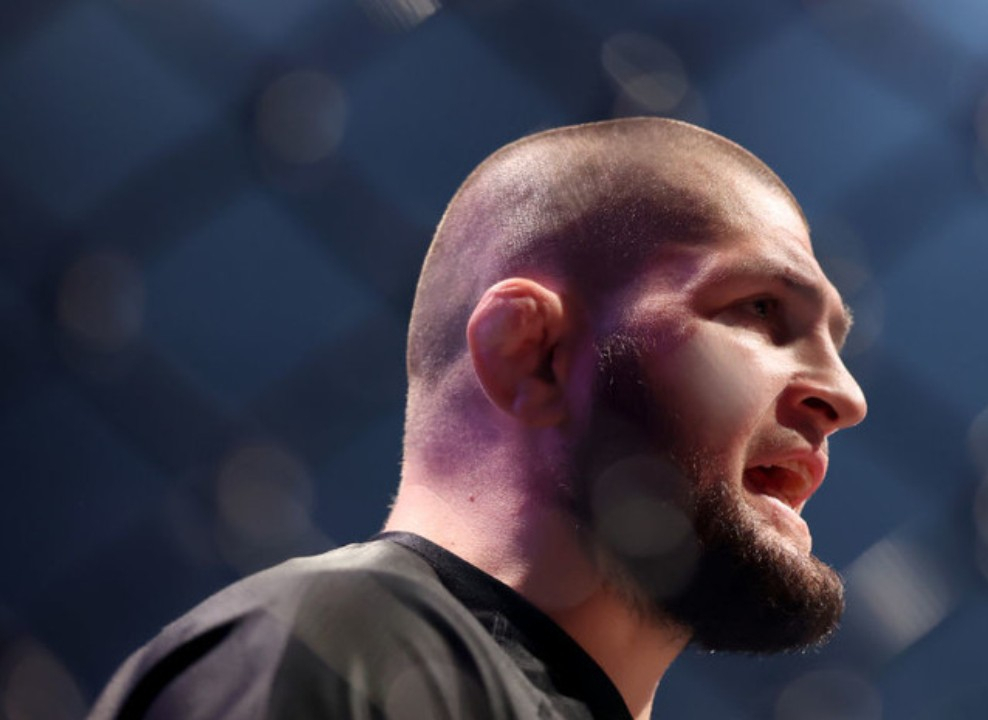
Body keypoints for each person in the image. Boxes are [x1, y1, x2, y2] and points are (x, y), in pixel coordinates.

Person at [89, 117, 867, 720]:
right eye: (760, 309)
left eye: (836, 341)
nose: (845, 395)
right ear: (532, 353)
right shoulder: (348, 645)